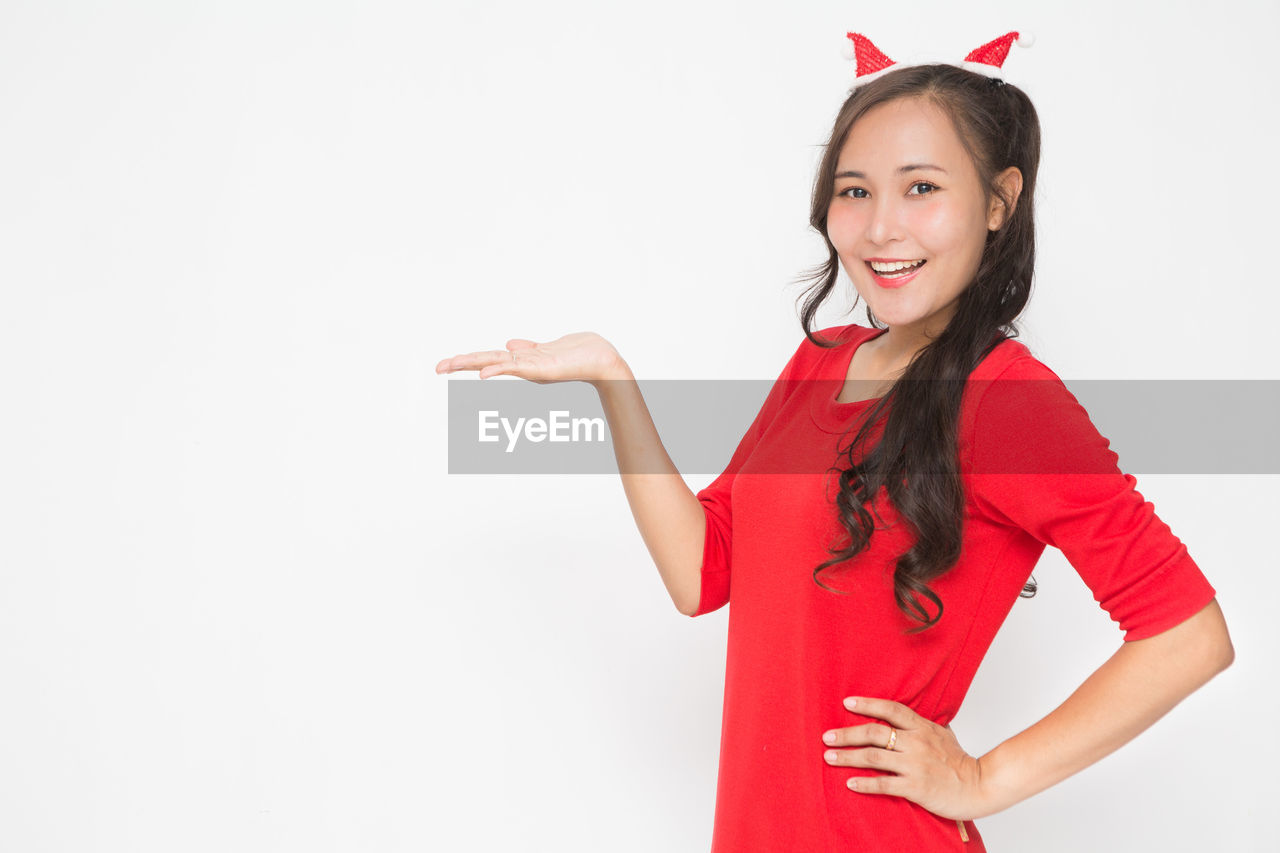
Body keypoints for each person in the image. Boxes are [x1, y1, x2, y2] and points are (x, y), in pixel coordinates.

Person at [435, 37, 1234, 852]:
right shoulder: (821, 363)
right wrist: (614, 381)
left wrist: (985, 779)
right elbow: (700, 572)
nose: (882, 227)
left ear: (998, 200)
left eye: (922, 187)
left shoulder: (1007, 400)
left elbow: (1188, 632)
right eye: (855, 191)